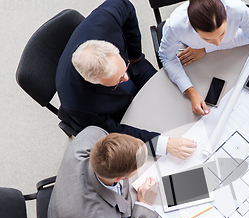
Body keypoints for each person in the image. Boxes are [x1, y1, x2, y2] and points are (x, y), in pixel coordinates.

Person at [56, 0, 195, 160]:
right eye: (118, 80)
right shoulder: (77, 104)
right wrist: (164, 145)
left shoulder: (105, 20)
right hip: (116, 111)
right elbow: (114, 133)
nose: (126, 78)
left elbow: (126, 6)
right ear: (91, 81)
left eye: (123, 69)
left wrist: (134, 58)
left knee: (176, 99)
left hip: (136, 66)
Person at [48, 126, 162, 218]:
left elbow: (119, 184)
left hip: (66, 199)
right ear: (119, 177)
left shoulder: (93, 133)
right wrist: (144, 204)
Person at [158, 0, 249, 115]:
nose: (217, 43)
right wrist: (191, 92)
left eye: (222, 34)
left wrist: (206, 48)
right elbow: (166, 57)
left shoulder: (237, 10)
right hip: (189, 51)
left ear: (226, 13)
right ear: (191, 25)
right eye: (207, 39)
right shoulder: (176, 26)